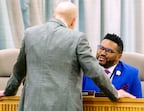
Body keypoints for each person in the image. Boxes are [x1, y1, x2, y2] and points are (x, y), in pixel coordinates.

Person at [0, 2, 136, 111]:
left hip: (31, 106)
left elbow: (18, 71)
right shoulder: (77, 38)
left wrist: (8, 92)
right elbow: (94, 71)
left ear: (54, 15)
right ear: (73, 21)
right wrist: (115, 93)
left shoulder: (30, 34)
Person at [82, 33, 142, 98]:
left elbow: (139, 103)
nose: (102, 53)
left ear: (119, 56)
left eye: (109, 51)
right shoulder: (86, 70)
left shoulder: (131, 74)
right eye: (101, 48)